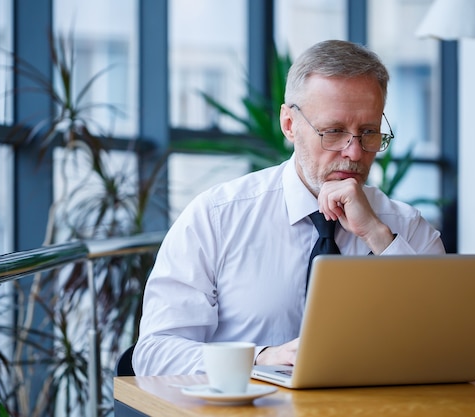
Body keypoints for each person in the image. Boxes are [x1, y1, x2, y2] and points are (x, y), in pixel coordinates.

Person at [132, 39, 446, 376]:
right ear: (289, 125)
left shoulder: (407, 230)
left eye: (368, 133)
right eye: (334, 131)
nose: (354, 153)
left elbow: (446, 343)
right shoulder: (217, 217)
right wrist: (259, 358)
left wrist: (377, 236)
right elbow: (155, 352)